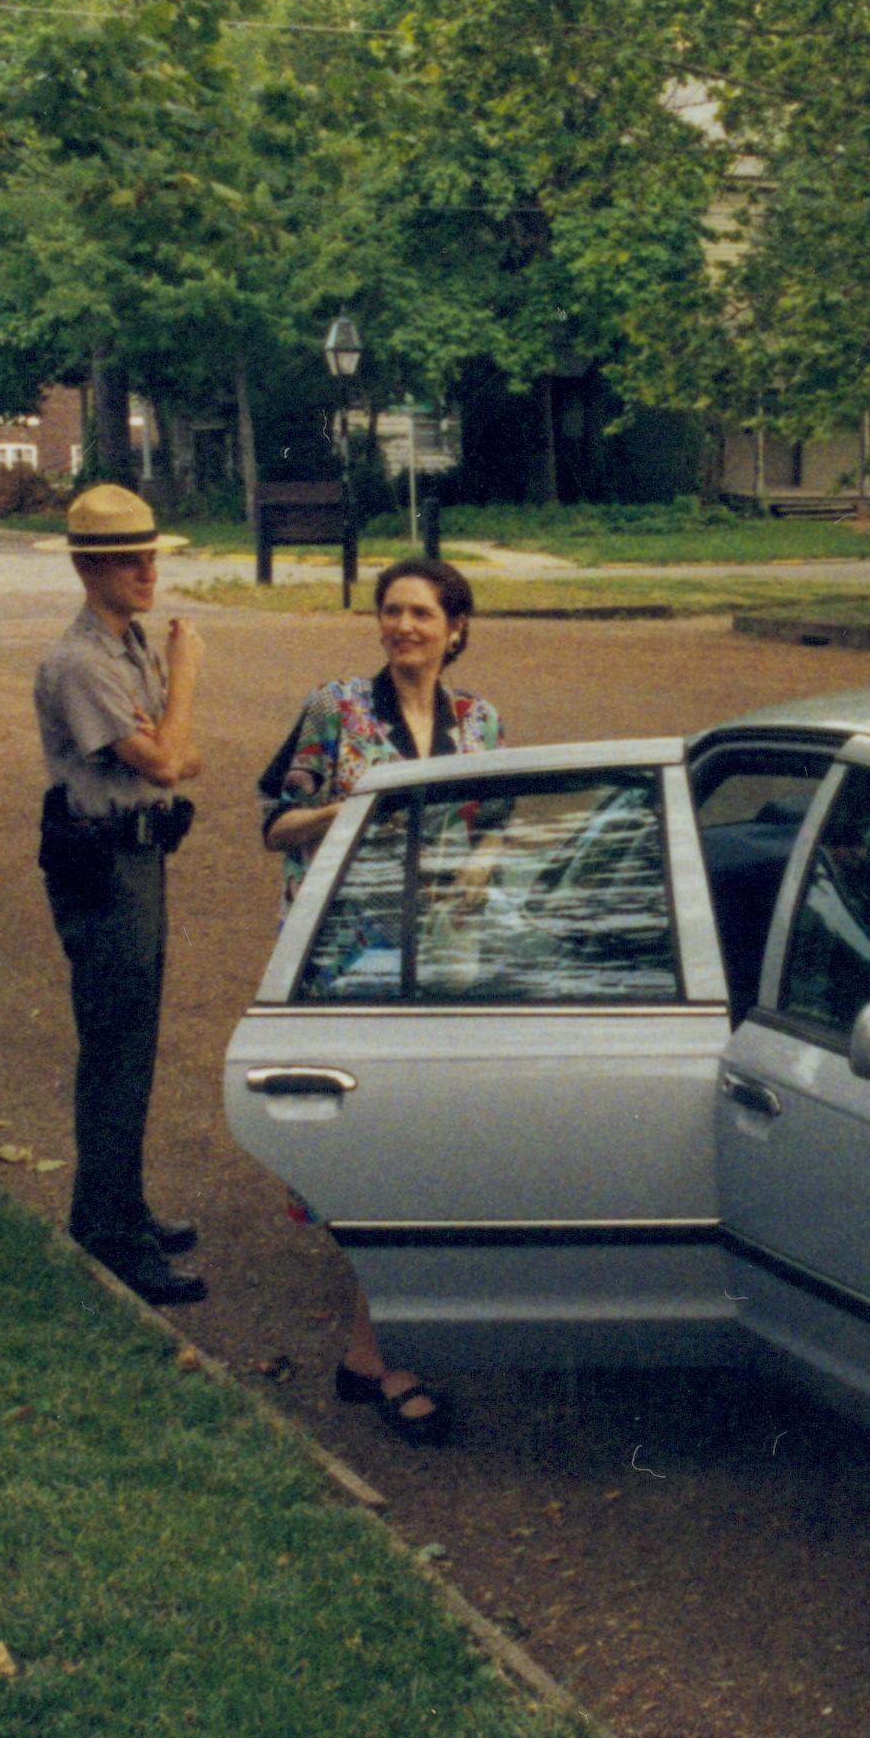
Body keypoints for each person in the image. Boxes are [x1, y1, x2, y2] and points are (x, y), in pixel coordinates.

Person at [256, 555, 502, 1443]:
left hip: (439, 959)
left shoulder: (480, 719)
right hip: (348, 956)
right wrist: (349, 807)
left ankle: (373, 1353)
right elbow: (272, 824)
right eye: (391, 611)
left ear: (456, 627)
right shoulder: (337, 710)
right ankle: (387, 1357)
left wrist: (476, 873)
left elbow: (494, 825)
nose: (403, 626)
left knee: (411, 1145)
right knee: (378, 1150)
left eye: (421, 614)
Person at [30, 483, 209, 1307]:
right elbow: (169, 759)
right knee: (114, 1048)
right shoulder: (81, 663)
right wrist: (184, 682)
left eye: (149, 555)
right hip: (103, 866)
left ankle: (120, 1203)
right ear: (86, 566)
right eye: (125, 559)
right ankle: (105, 1230)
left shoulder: (127, 642)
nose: (146, 570)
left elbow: (178, 757)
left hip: (140, 856)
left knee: (133, 1044)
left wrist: (166, 736)